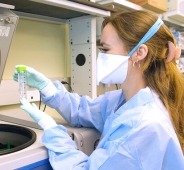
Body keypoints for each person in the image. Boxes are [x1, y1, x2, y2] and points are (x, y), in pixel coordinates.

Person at [13, 10, 184, 169]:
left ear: (139, 52)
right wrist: (48, 88)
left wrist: (53, 132)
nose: (100, 56)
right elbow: (82, 110)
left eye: (105, 49)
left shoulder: (142, 125)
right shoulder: (125, 100)